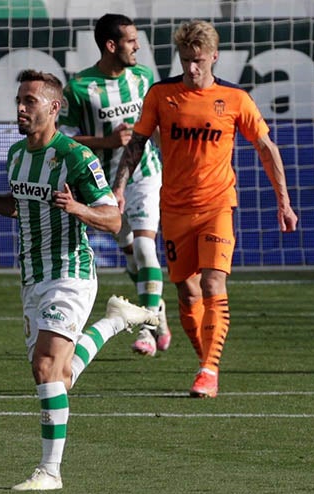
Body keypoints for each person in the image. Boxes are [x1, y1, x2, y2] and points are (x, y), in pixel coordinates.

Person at [0, 69, 158, 491]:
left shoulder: (75, 157)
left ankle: (50, 472)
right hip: (32, 276)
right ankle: (116, 321)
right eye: (19, 100)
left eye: (30, 101)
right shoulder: (16, 155)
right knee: (57, 378)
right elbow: (18, 206)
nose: (21, 108)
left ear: (54, 107)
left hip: (70, 273)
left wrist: (78, 208)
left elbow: (113, 217)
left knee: (46, 366)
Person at [113, 19, 298, 398]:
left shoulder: (235, 99)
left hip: (218, 205)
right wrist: (119, 188)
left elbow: (266, 149)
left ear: (214, 56)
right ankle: (205, 361)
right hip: (176, 209)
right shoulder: (161, 95)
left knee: (214, 282)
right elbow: (137, 144)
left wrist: (284, 201)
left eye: (198, 60)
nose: (192, 68)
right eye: (185, 61)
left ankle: (209, 369)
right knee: (187, 293)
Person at [59, 13, 171, 357]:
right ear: (111, 45)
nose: (138, 46)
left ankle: (149, 329)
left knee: (145, 250)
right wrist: (106, 142)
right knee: (133, 259)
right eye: (130, 41)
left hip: (145, 175)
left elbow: (154, 127)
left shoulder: (143, 77)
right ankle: (159, 309)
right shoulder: (78, 88)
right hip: (102, 184)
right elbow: (64, 139)